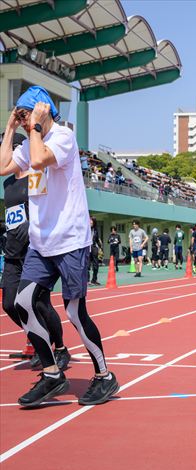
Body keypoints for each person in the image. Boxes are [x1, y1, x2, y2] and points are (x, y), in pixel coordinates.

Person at [0, 86, 118, 407]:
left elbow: (39, 159)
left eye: (25, 114)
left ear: (42, 110)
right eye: (21, 115)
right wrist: (10, 126)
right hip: (41, 243)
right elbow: (3, 166)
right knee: (22, 302)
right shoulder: (29, 140)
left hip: (69, 241)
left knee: (74, 312)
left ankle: (104, 375)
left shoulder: (62, 137)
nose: (24, 120)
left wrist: (37, 124)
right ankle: (52, 373)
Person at [1, 131, 70, 370]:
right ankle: (40, 340)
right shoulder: (7, 183)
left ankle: (60, 348)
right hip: (12, 252)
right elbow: (13, 214)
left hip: (34, 250)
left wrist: (32, 225)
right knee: (10, 304)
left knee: (39, 304)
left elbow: (43, 208)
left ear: (19, 149)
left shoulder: (35, 175)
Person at [89, 217, 102, 286]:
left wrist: (100, 247)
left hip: (94, 247)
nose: (90, 222)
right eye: (89, 221)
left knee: (96, 265)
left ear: (94, 222)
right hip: (87, 248)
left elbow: (97, 239)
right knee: (87, 265)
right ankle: (87, 280)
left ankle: (94, 280)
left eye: (91, 221)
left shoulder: (95, 230)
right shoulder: (85, 229)